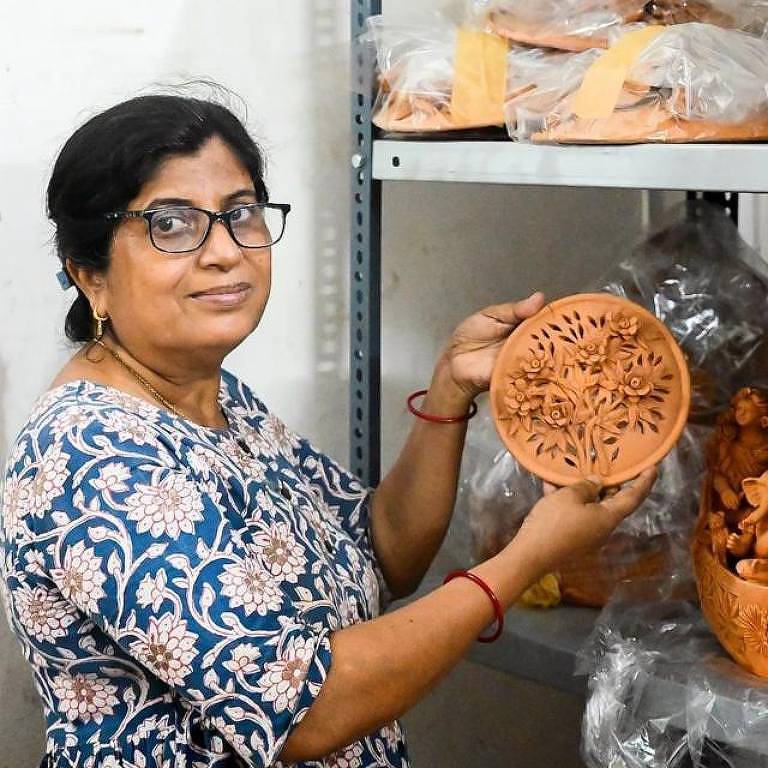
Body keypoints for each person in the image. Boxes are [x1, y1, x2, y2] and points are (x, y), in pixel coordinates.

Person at [0, 94, 656, 768]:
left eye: (241, 212)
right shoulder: (92, 457)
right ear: (91, 277)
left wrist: (450, 386)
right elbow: (302, 710)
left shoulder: (216, 400)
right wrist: (522, 560)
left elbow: (381, 551)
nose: (226, 251)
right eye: (171, 224)